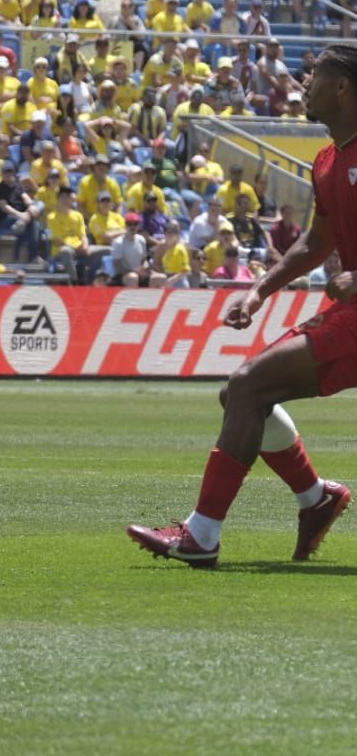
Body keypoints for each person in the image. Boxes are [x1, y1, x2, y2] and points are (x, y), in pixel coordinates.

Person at [128, 46, 357, 569]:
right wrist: (259, 291)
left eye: (316, 75)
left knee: (248, 385)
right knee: (241, 391)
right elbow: (315, 242)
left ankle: (202, 535)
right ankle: (314, 498)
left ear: (343, 86)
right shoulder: (327, 161)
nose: (305, 84)